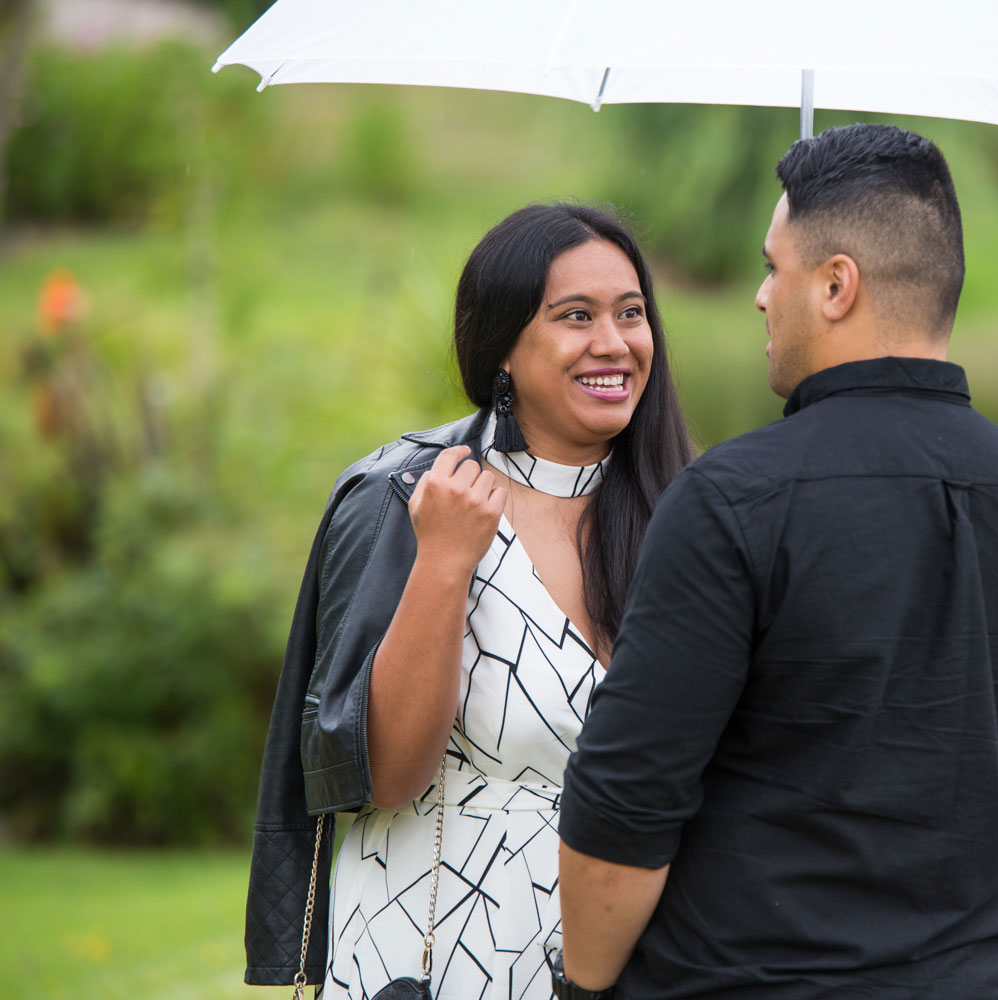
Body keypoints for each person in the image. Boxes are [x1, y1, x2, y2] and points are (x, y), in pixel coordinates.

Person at [555, 124, 998, 999]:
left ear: (836, 284)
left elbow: (625, 802)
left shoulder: (731, 501)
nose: (760, 296)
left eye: (775, 268)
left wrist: (584, 987)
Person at [242, 203, 695, 999]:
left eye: (631, 313)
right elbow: (383, 775)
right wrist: (446, 561)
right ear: (503, 349)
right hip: (439, 945)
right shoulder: (410, 498)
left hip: (630, 956)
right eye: (575, 317)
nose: (614, 343)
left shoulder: (688, 516)